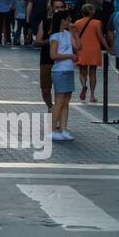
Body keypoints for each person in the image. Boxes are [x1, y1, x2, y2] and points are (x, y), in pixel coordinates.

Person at [48, 10, 79, 141]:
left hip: (69, 69)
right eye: (68, 19)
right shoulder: (55, 36)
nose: (69, 21)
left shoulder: (67, 33)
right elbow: (53, 55)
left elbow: (78, 46)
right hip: (59, 71)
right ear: (62, 20)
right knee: (59, 101)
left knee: (66, 101)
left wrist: (75, 33)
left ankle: (63, 129)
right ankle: (52, 129)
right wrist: (69, 55)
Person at [34, 0, 67, 114]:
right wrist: (52, 40)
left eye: (61, 7)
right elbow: (37, 42)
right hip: (46, 60)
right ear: (51, 8)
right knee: (46, 89)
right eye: (56, 7)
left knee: (61, 91)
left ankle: (57, 111)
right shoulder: (45, 23)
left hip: (63, 61)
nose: (58, 9)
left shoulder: (67, 25)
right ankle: (50, 106)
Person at [71, 4, 108, 104]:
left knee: (82, 71)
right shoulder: (97, 23)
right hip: (94, 49)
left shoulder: (77, 23)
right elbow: (100, 37)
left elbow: (74, 37)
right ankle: (92, 95)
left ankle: (83, 85)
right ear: (92, 12)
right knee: (93, 72)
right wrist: (108, 48)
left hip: (81, 48)